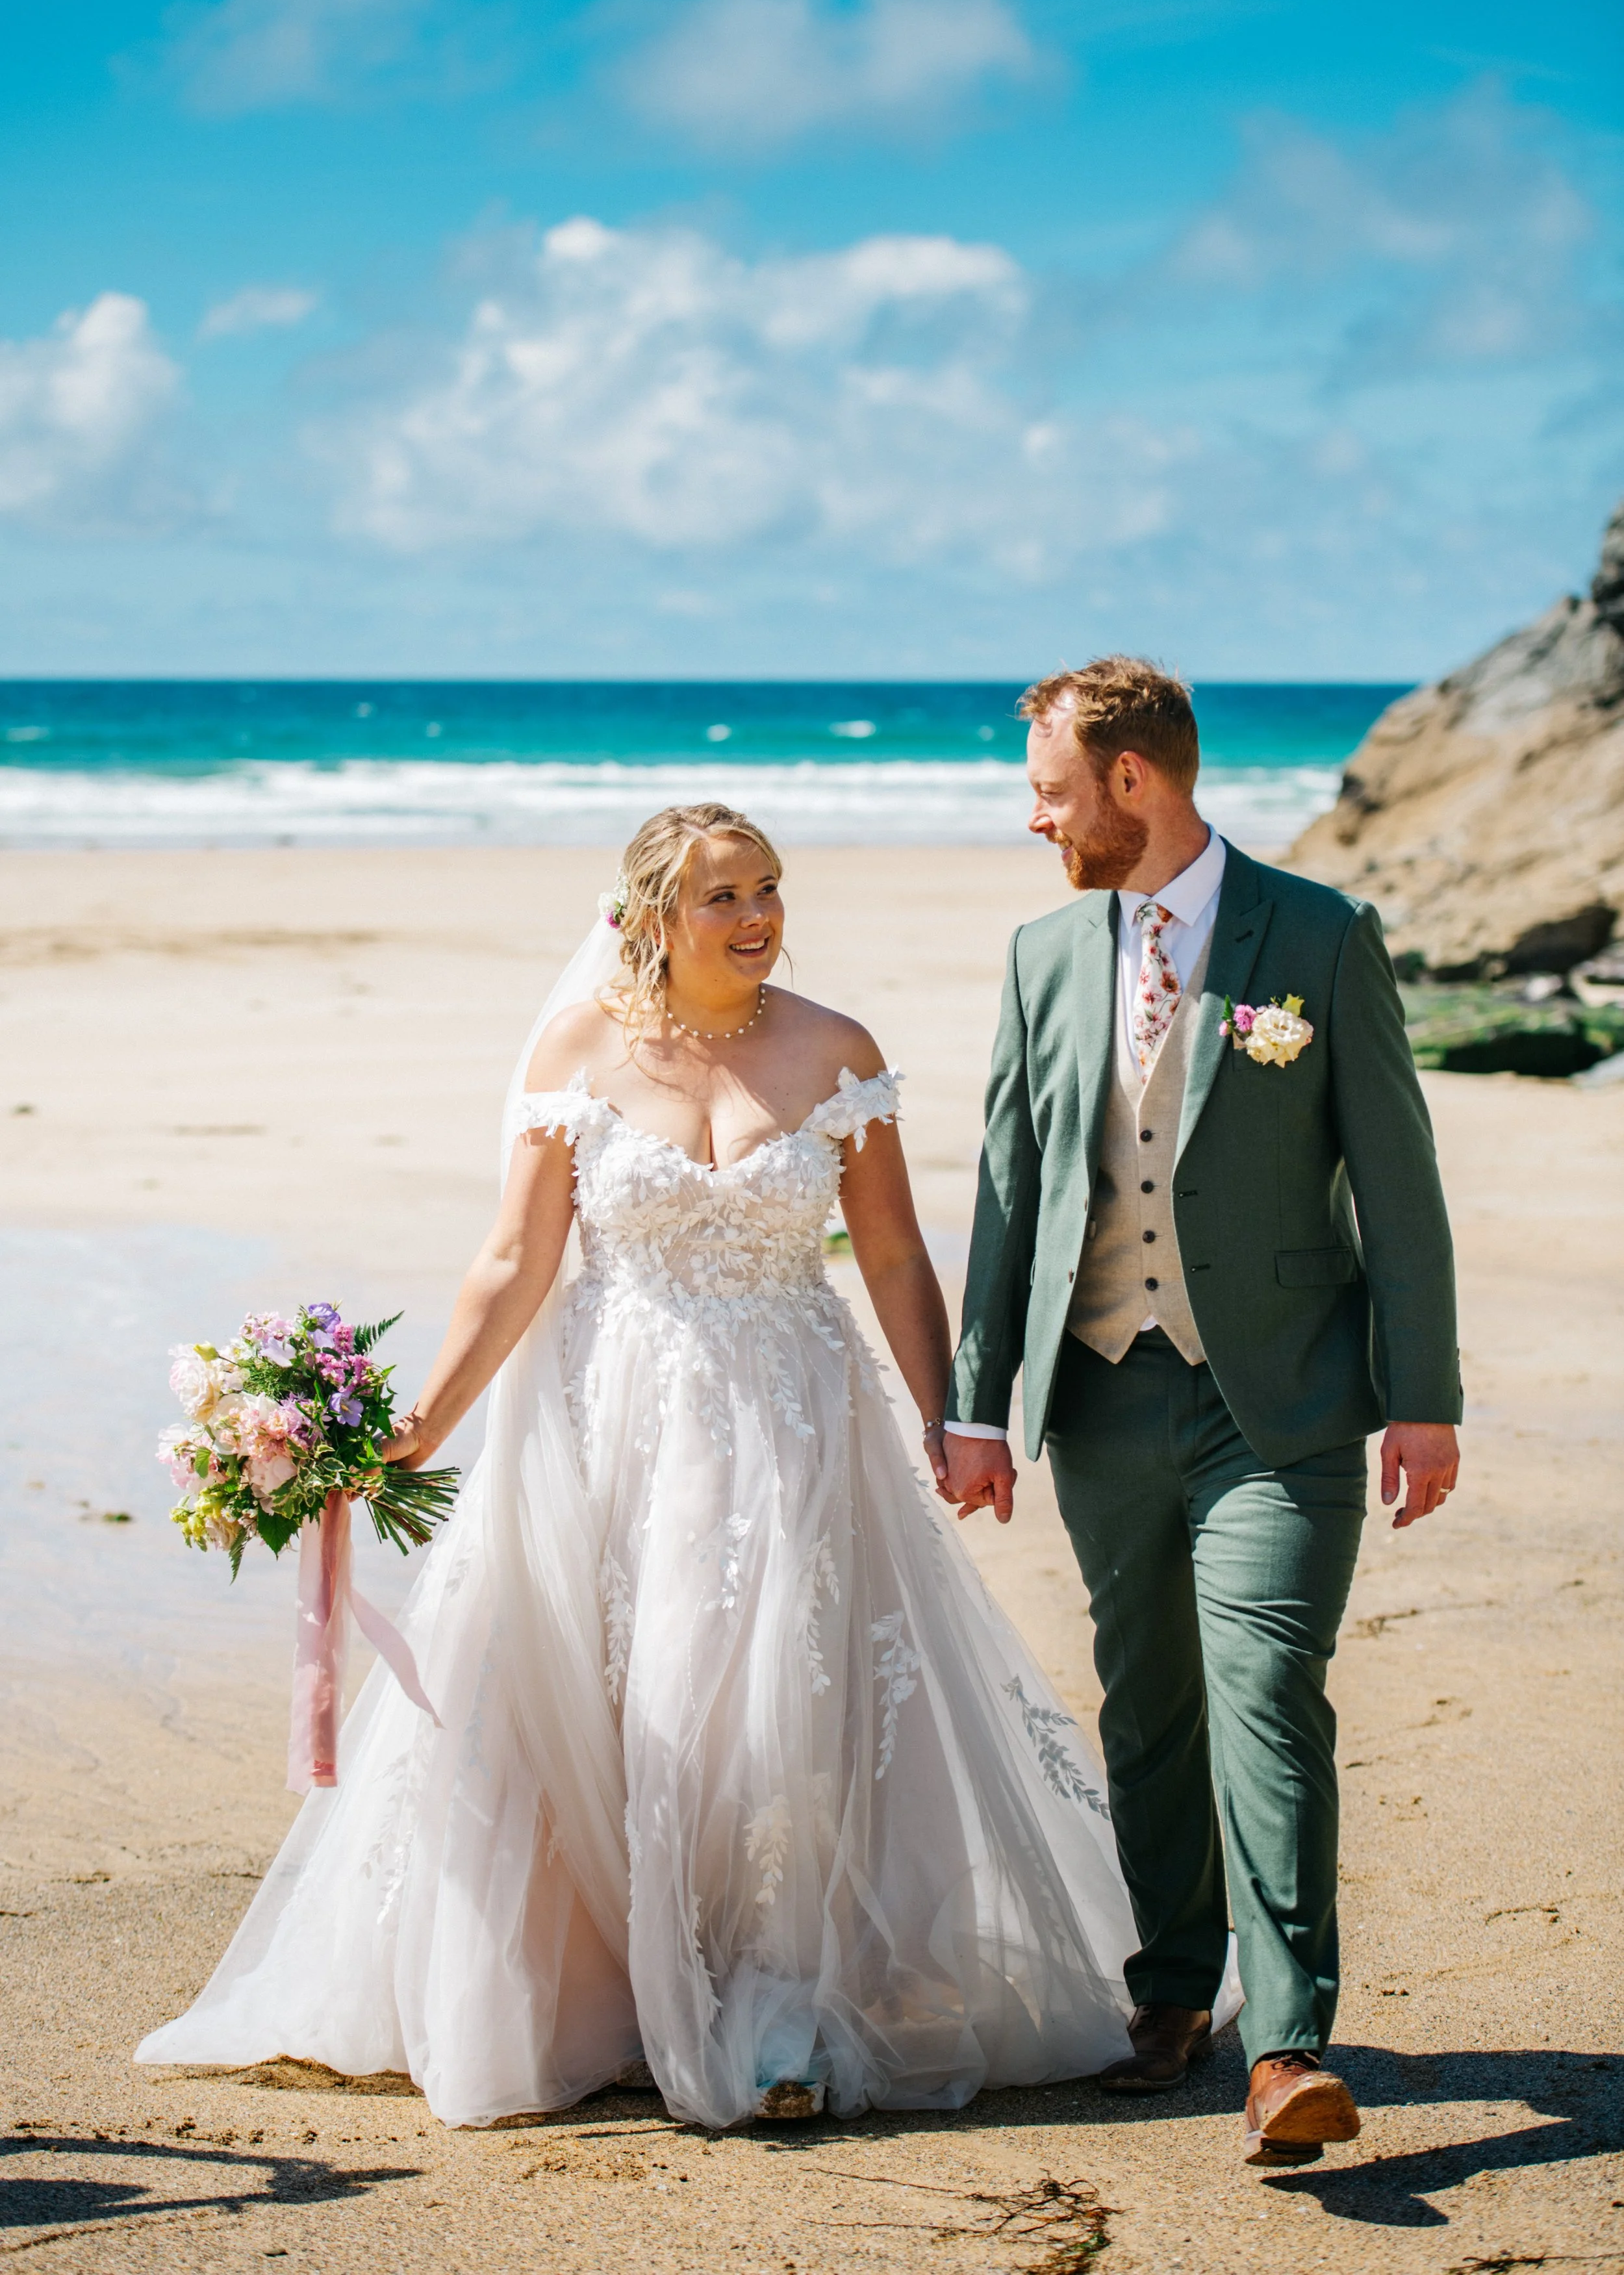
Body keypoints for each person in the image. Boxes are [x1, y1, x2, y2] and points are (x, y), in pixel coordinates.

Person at [137, 800, 1152, 2131]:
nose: (758, 918)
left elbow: (894, 1255)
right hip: (611, 1417)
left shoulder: (835, 1048)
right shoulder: (576, 1050)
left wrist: (948, 1417)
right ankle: (616, 1993)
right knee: (627, 1710)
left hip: (795, 1418)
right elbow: (516, 1260)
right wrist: (425, 1427)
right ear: (652, 919)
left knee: (783, 1707)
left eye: (769, 889)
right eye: (723, 897)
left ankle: (777, 2006)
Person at [939, 659, 1462, 2168]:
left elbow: (1399, 1187)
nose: (1028, 817)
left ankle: (1287, 2042)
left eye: (1047, 789)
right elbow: (1005, 1191)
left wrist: (1418, 1400)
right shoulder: (1043, 954)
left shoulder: (1317, 934)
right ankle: (1170, 1990)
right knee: (1148, 1702)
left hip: (1283, 1404)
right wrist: (980, 1405)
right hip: (1102, 1393)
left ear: (1131, 783)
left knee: (1263, 1690)